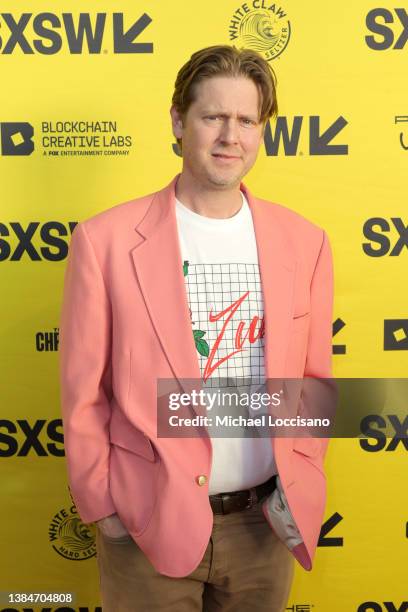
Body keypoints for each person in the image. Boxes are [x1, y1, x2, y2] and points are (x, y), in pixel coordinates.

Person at [59, 45, 334, 611]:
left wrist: (299, 473)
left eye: (246, 120)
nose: (229, 136)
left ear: (261, 132)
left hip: (263, 527)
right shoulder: (104, 242)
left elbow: (315, 381)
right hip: (146, 524)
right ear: (179, 122)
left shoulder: (305, 242)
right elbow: (83, 389)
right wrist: (105, 511)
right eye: (213, 117)